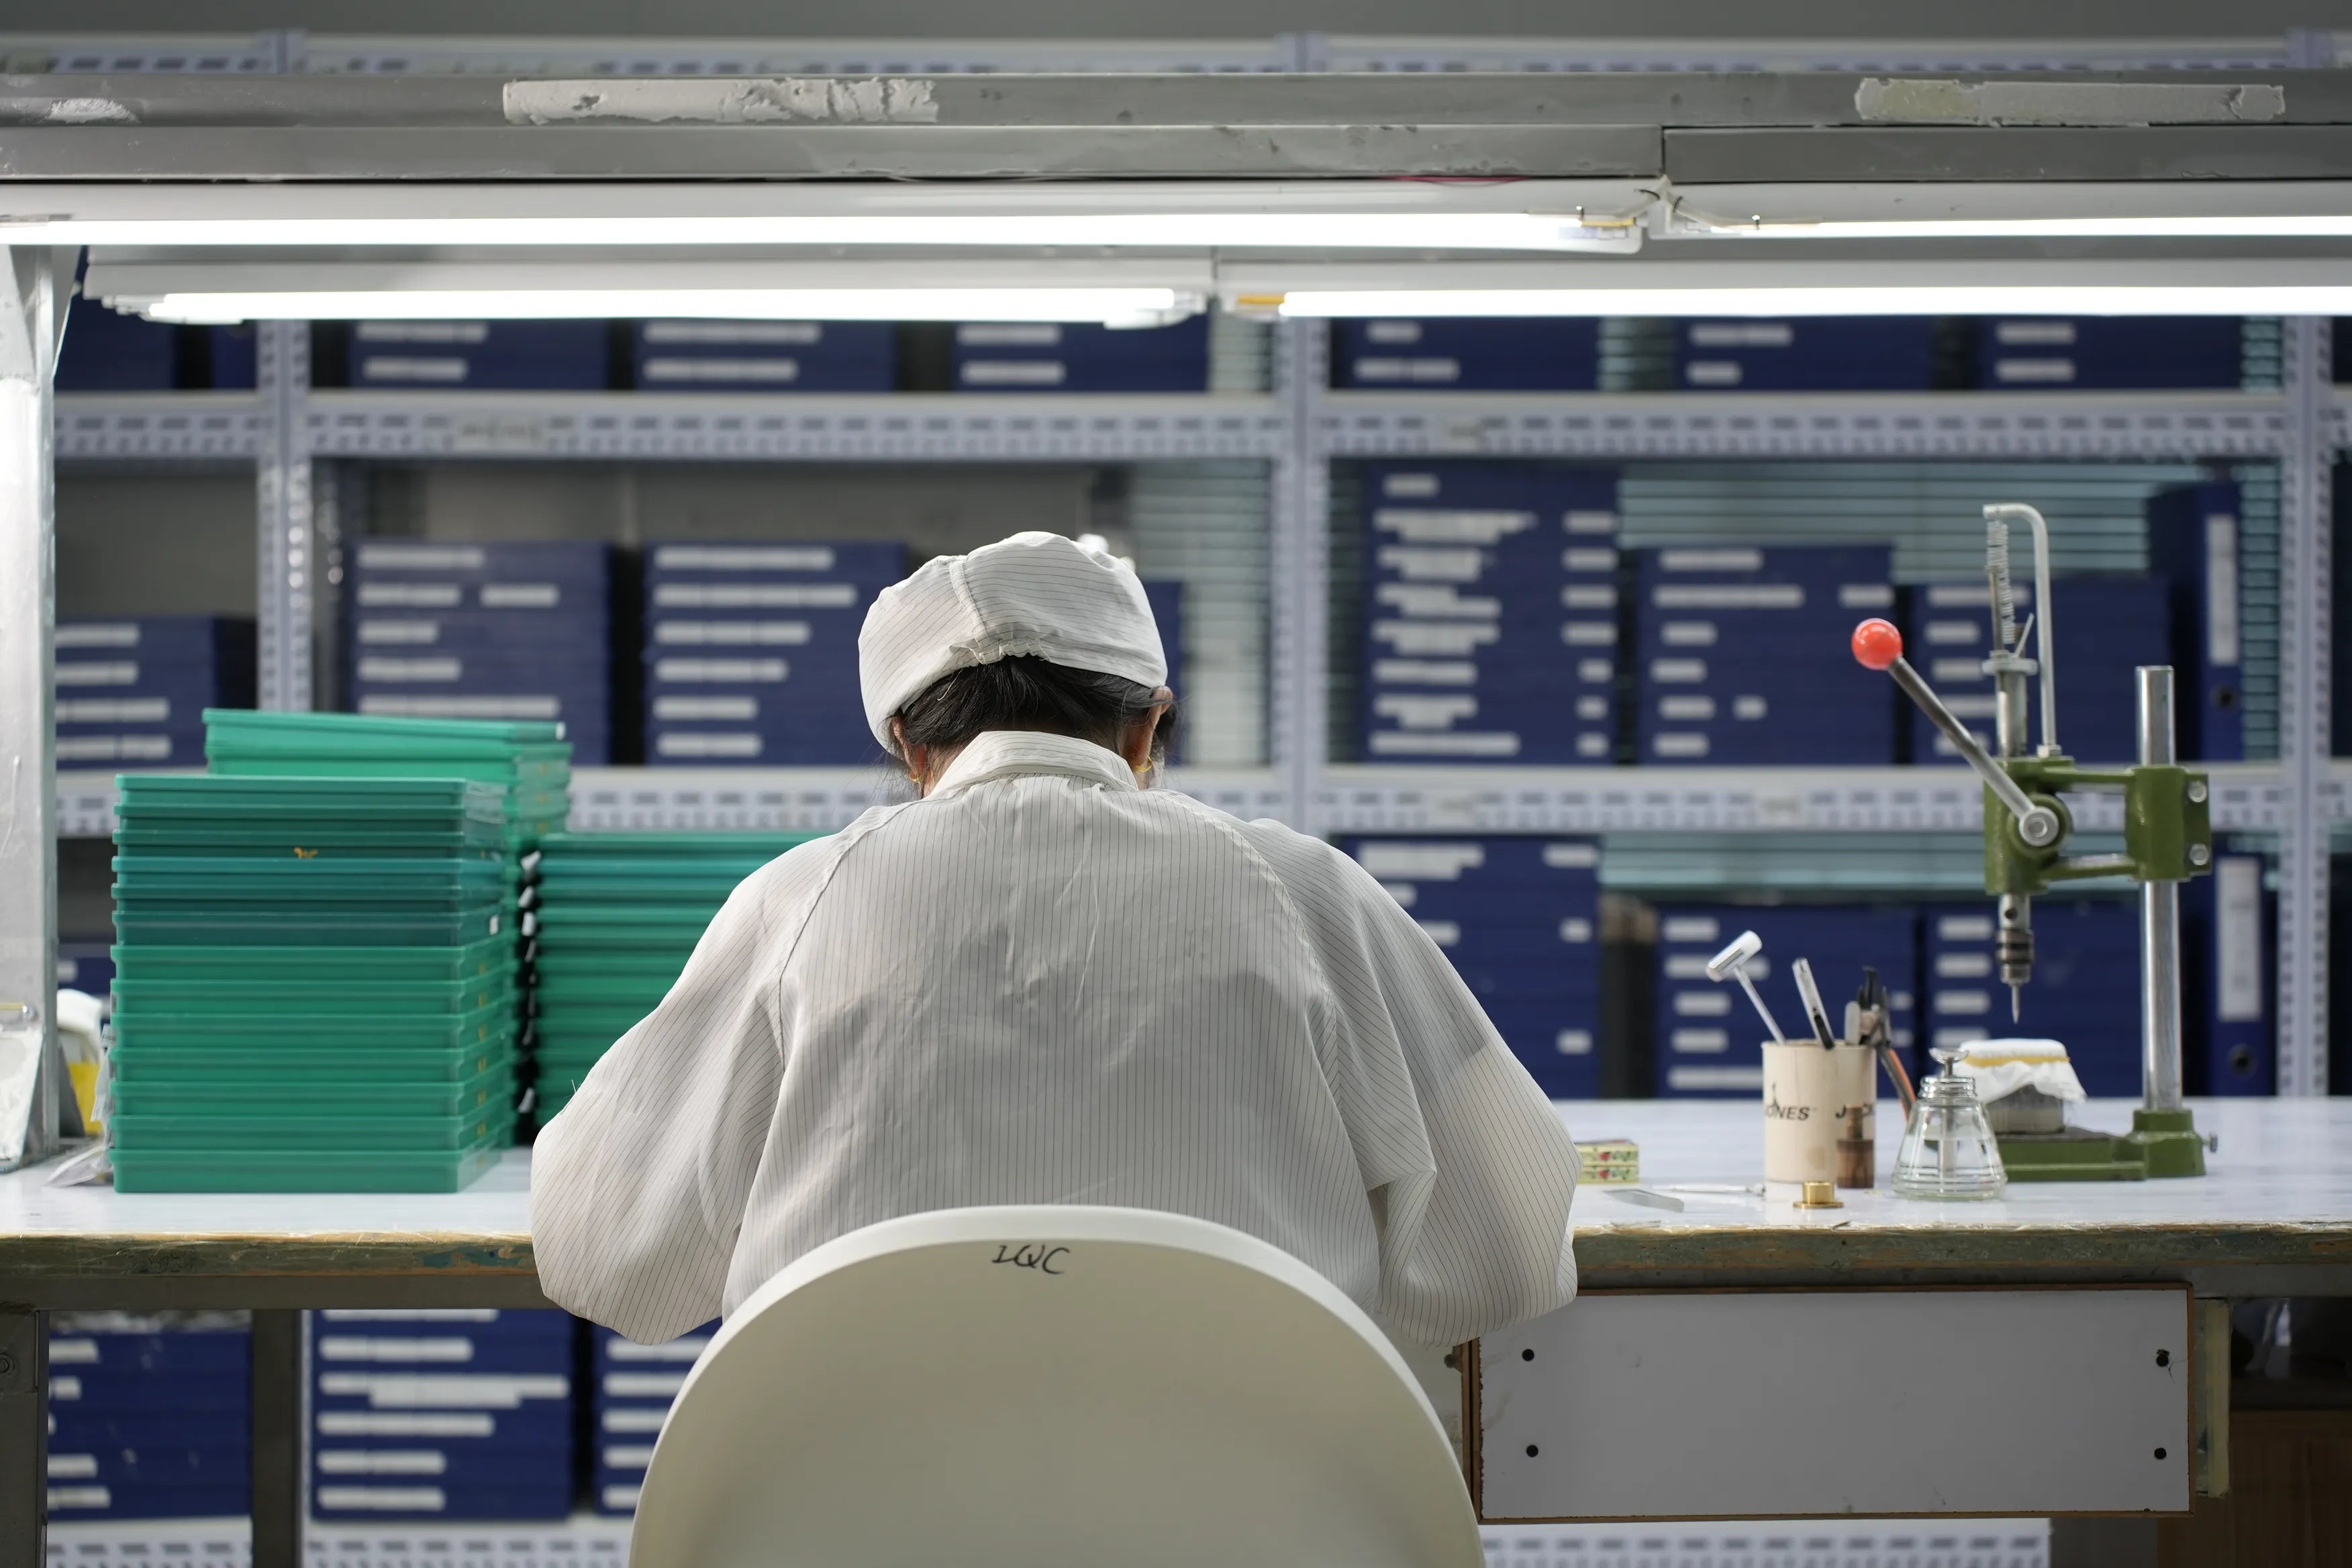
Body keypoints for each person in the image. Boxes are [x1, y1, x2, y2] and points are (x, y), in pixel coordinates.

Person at [532, 531, 1580, 1353]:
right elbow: (1506, 1251)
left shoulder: (801, 901)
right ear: (1147, 728)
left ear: (908, 745)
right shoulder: (1307, 895)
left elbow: (605, 1255)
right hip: (1244, 1510)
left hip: (858, 1510)